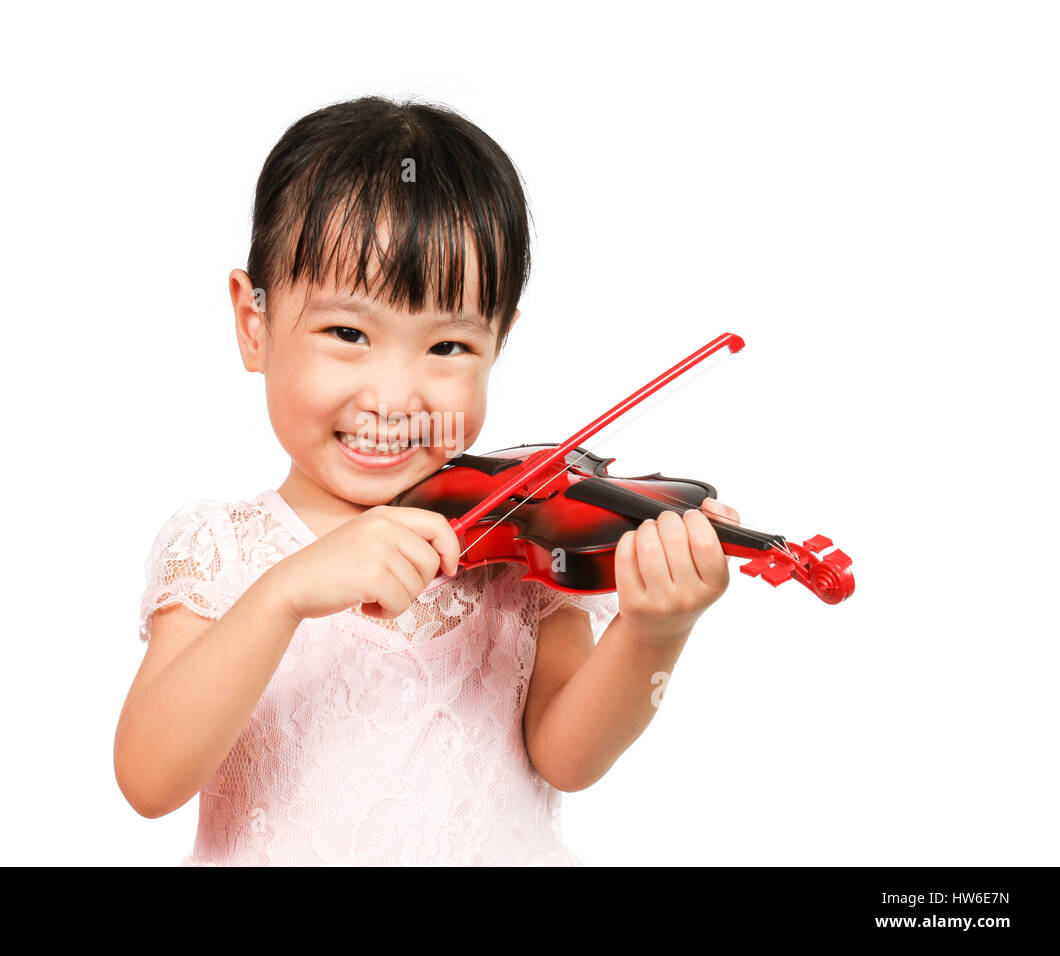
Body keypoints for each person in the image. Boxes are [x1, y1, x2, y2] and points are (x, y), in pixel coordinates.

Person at [113, 95, 740, 865]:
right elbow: (149, 780)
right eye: (347, 333)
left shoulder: (520, 556)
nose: (394, 396)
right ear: (254, 323)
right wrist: (283, 595)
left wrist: (653, 633)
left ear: (498, 341)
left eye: (447, 346)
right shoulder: (221, 549)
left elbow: (566, 758)